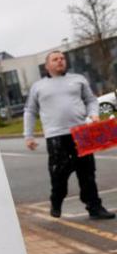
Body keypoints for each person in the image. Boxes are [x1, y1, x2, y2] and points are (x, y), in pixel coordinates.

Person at [24, 51, 115, 219]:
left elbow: (91, 100)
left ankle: (94, 207)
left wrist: (94, 114)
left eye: (62, 58)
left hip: (81, 133)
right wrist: (28, 135)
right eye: (55, 59)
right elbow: (30, 111)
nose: (60, 61)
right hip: (56, 136)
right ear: (47, 65)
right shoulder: (38, 86)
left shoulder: (78, 79)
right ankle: (56, 200)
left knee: (87, 173)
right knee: (59, 175)